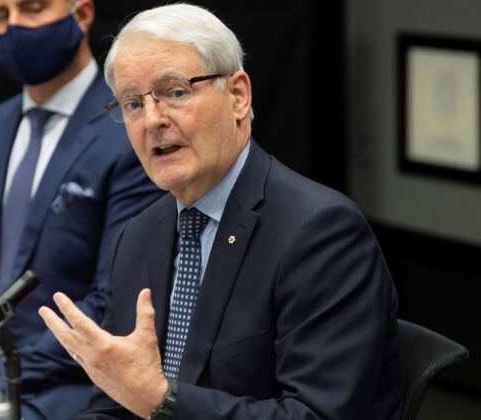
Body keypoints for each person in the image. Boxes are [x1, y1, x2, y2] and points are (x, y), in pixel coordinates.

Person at [39, 4, 404, 419]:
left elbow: (315, 414)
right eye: (133, 104)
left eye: (175, 92)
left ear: (237, 96)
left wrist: (163, 401)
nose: (152, 120)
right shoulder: (137, 237)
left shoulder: (321, 232)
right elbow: (113, 405)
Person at [0, 0, 162, 418]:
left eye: (32, 9)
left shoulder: (128, 131)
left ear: (81, 15)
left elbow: (109, 302)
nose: (13, 27)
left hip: (66, 390)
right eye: (0, 15)